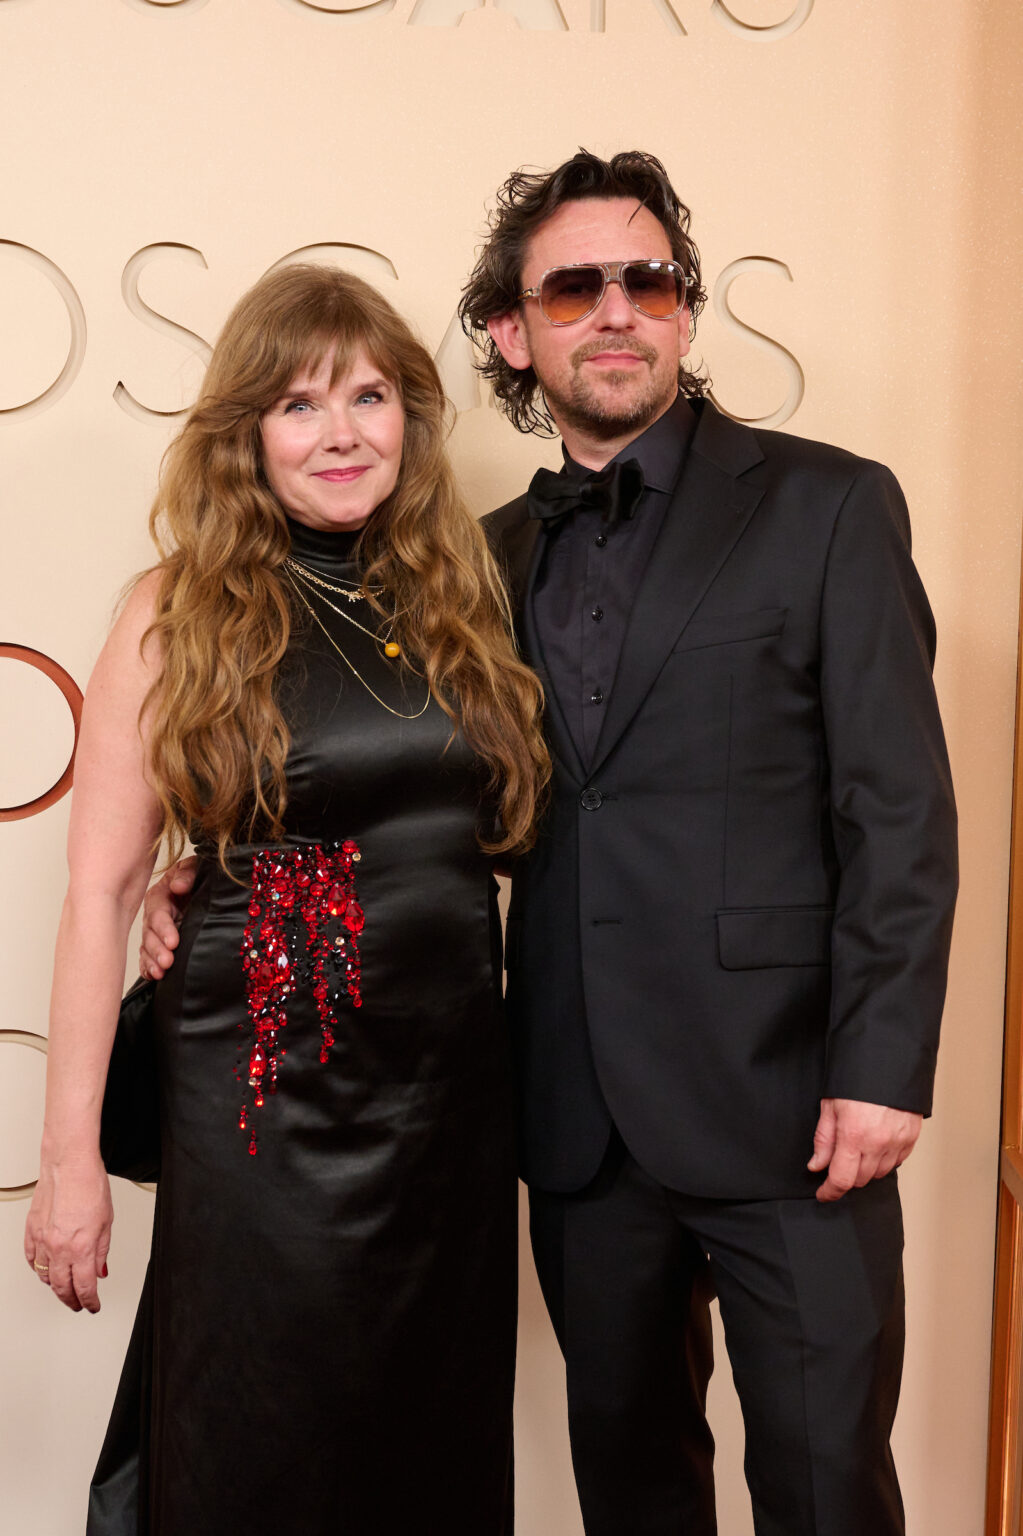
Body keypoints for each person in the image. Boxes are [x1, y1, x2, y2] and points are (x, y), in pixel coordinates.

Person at [143, 150, 959, 1535]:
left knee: (824, 1492)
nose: (615, 309)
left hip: (791, 1109)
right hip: (573, 1116)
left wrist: (877, 1068)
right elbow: (440, 800)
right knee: (630, 1491)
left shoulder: (828, 506)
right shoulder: (482, 560)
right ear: (512, 335)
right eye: (573, 285)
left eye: (646, 279)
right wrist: (217, 869)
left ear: (684, 314)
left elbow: (895, 806)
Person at [24, 261, 549, 1536]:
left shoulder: (463, 597)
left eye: (370, 396)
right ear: (245, 432)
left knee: (428, 1420)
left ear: (411, 422)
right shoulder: (177, 613)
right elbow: (98, 898)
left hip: (449, 1101)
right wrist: (69, 1167)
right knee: (258, 1419)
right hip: (264, 1091)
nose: (342, 433)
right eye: (300, 405)